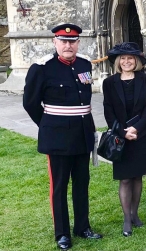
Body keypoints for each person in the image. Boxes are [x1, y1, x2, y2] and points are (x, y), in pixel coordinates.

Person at [23, 23, 102, 250]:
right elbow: (30, 103)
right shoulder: (42, 68)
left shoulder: (85, 64)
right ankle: (62, 234)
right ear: (55, 42)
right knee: (59, 186)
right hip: (57, 137)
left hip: (82, 134)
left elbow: (84, 101)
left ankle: (82, 227)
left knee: (82, 183)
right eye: (64, 41)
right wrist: (49, 125)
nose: (68, 45)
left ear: (78, 43)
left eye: (73, 41)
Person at [103, 42, 146, 237]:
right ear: (118, 61)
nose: (126, 61)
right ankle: (126, 218)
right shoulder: (109, 83)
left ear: (137, 61)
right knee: (125, 178)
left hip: (141, 135)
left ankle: (135, 214)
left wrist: (136, 128)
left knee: (137, 176)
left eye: (130, 58)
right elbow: (108, 112)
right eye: (123, 59)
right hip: (120, 137)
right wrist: (123, 132)